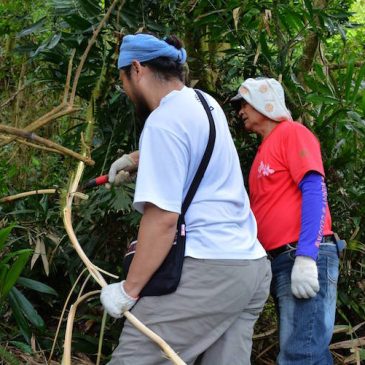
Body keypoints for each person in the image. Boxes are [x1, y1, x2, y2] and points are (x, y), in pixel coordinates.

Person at [99, 34, 271, 365]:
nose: (124, 89)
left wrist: (128, 291)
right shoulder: (205, 103)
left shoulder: (162, 121)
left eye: (122, 79)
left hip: (209, 270)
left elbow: (163, 221)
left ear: (137, 69)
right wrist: (137, 159)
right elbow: (195, 148)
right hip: (249, 267)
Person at [231, 77, 341, 364]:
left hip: (302, 256)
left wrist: (306, 257)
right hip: (282, 260)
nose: (240, 110)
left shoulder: (292, 133)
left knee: (299, 354)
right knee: (308, 353)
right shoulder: (263, 150)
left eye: (245, 102)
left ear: (261, 101)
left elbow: (315, 190)